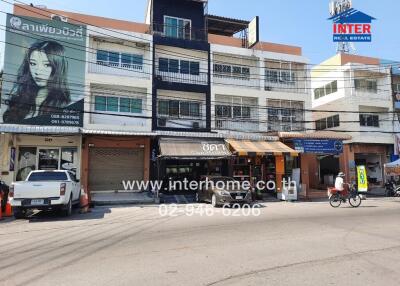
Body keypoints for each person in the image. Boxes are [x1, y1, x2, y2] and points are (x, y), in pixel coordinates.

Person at [3, 40, 70, 123]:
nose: (38, 71)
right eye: (33, 64)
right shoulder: (20, 98)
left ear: (57, 68)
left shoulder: (65, 105)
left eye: (46, 65)